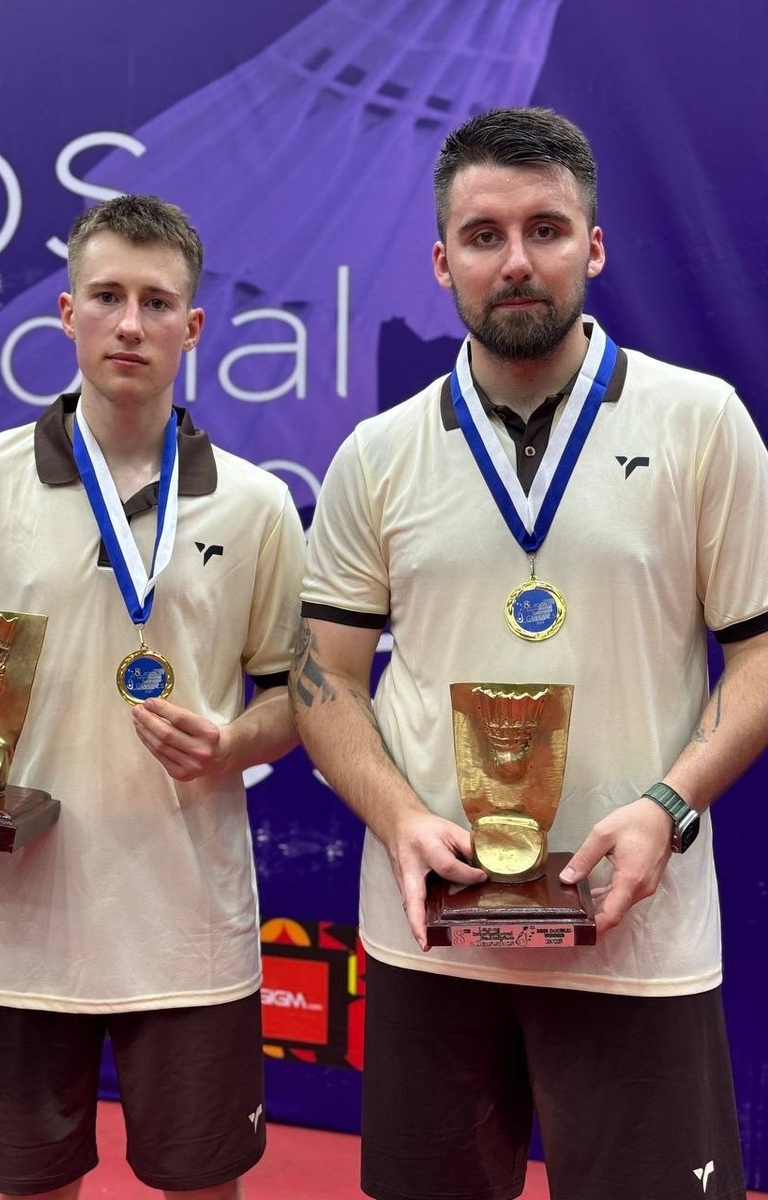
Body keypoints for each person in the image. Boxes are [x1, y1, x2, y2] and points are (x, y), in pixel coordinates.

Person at [291, 107, 768, 1200]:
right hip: (434, 933)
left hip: (635, 933)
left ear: (592, 247)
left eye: (545, 229)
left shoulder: (702, 422)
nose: (516, 261)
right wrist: (398, 820)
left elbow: (761, 654)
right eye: (484, 235)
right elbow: (324, 681)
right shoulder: (378, 454)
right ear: (441, 261)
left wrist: (669, 806)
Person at [0, 194, 306, 1200]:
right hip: (28, 926)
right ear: (67, 314)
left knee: (203, 1186)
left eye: (157, 302)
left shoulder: (256, 503)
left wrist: (233, 744)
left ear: (193, 326)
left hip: (190, 931)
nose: (130, 323)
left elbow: (300, 695)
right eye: (107, 296)